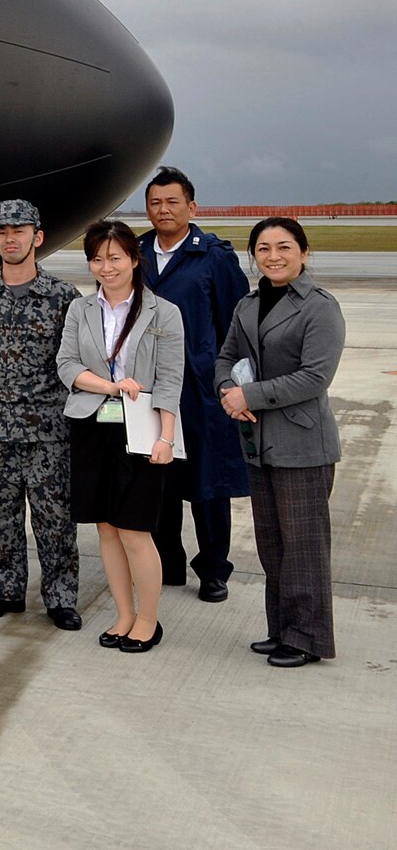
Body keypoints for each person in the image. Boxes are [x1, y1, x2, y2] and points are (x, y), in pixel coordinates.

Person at [215, 218, 346, 668]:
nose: (273, 256)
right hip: (257, 441)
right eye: (264, 248)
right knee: (273, 545)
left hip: (303, 444)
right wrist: (224, 394)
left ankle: (308, 638)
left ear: (304, 252)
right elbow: (226, 357)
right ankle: (282, 629)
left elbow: (316, 376)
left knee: (304, 545)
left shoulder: (319, 307)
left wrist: (247, 395)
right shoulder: (248, 305)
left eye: (284, 247)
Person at [0, 199, 82, 629]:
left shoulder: (64, 297)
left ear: (37, 237)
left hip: (49, 431)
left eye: (19, 230)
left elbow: (78, 356)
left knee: (54, 520)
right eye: (2, 232)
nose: (11, 238)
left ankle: (61, 598)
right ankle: (3, 591)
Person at [57, 221, 184, 654]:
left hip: (141, 429)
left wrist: (165, 438)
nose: (105, 267)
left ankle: (148, 620)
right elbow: (67, 365)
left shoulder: (163, 312)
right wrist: (108, 386)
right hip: (92, 424)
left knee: (135, 530)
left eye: (114, 257)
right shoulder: (81, 310)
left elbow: (170, 381)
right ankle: (124, 615)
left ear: (133, 259)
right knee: (106, 529)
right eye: (97, 258)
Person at [141, 166, 251, 601]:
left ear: (192, 206)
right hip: (149, 388)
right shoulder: (134, 253)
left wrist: (229, 383)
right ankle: (167, 563)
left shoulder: (215, 257)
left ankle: (213, 570)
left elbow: (235, 325)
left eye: (172, 201)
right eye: (155, 202)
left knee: (208, 485)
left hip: (201, 390)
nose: (163, 209)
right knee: (157, 479)